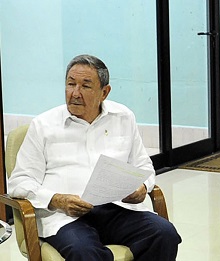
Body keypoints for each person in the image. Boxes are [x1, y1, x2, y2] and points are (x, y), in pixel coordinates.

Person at [8, 54, 181, 261]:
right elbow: (19, 182)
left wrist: (143, 187)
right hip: (65, 217)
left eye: (86, 86)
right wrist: (57, 200)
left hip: (119, 209)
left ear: (104, 92)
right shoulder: (43, 126)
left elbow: (143, 165)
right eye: (71, 84)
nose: (75, 93)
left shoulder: (123, 117)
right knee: (84, 251)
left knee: (164, 233)